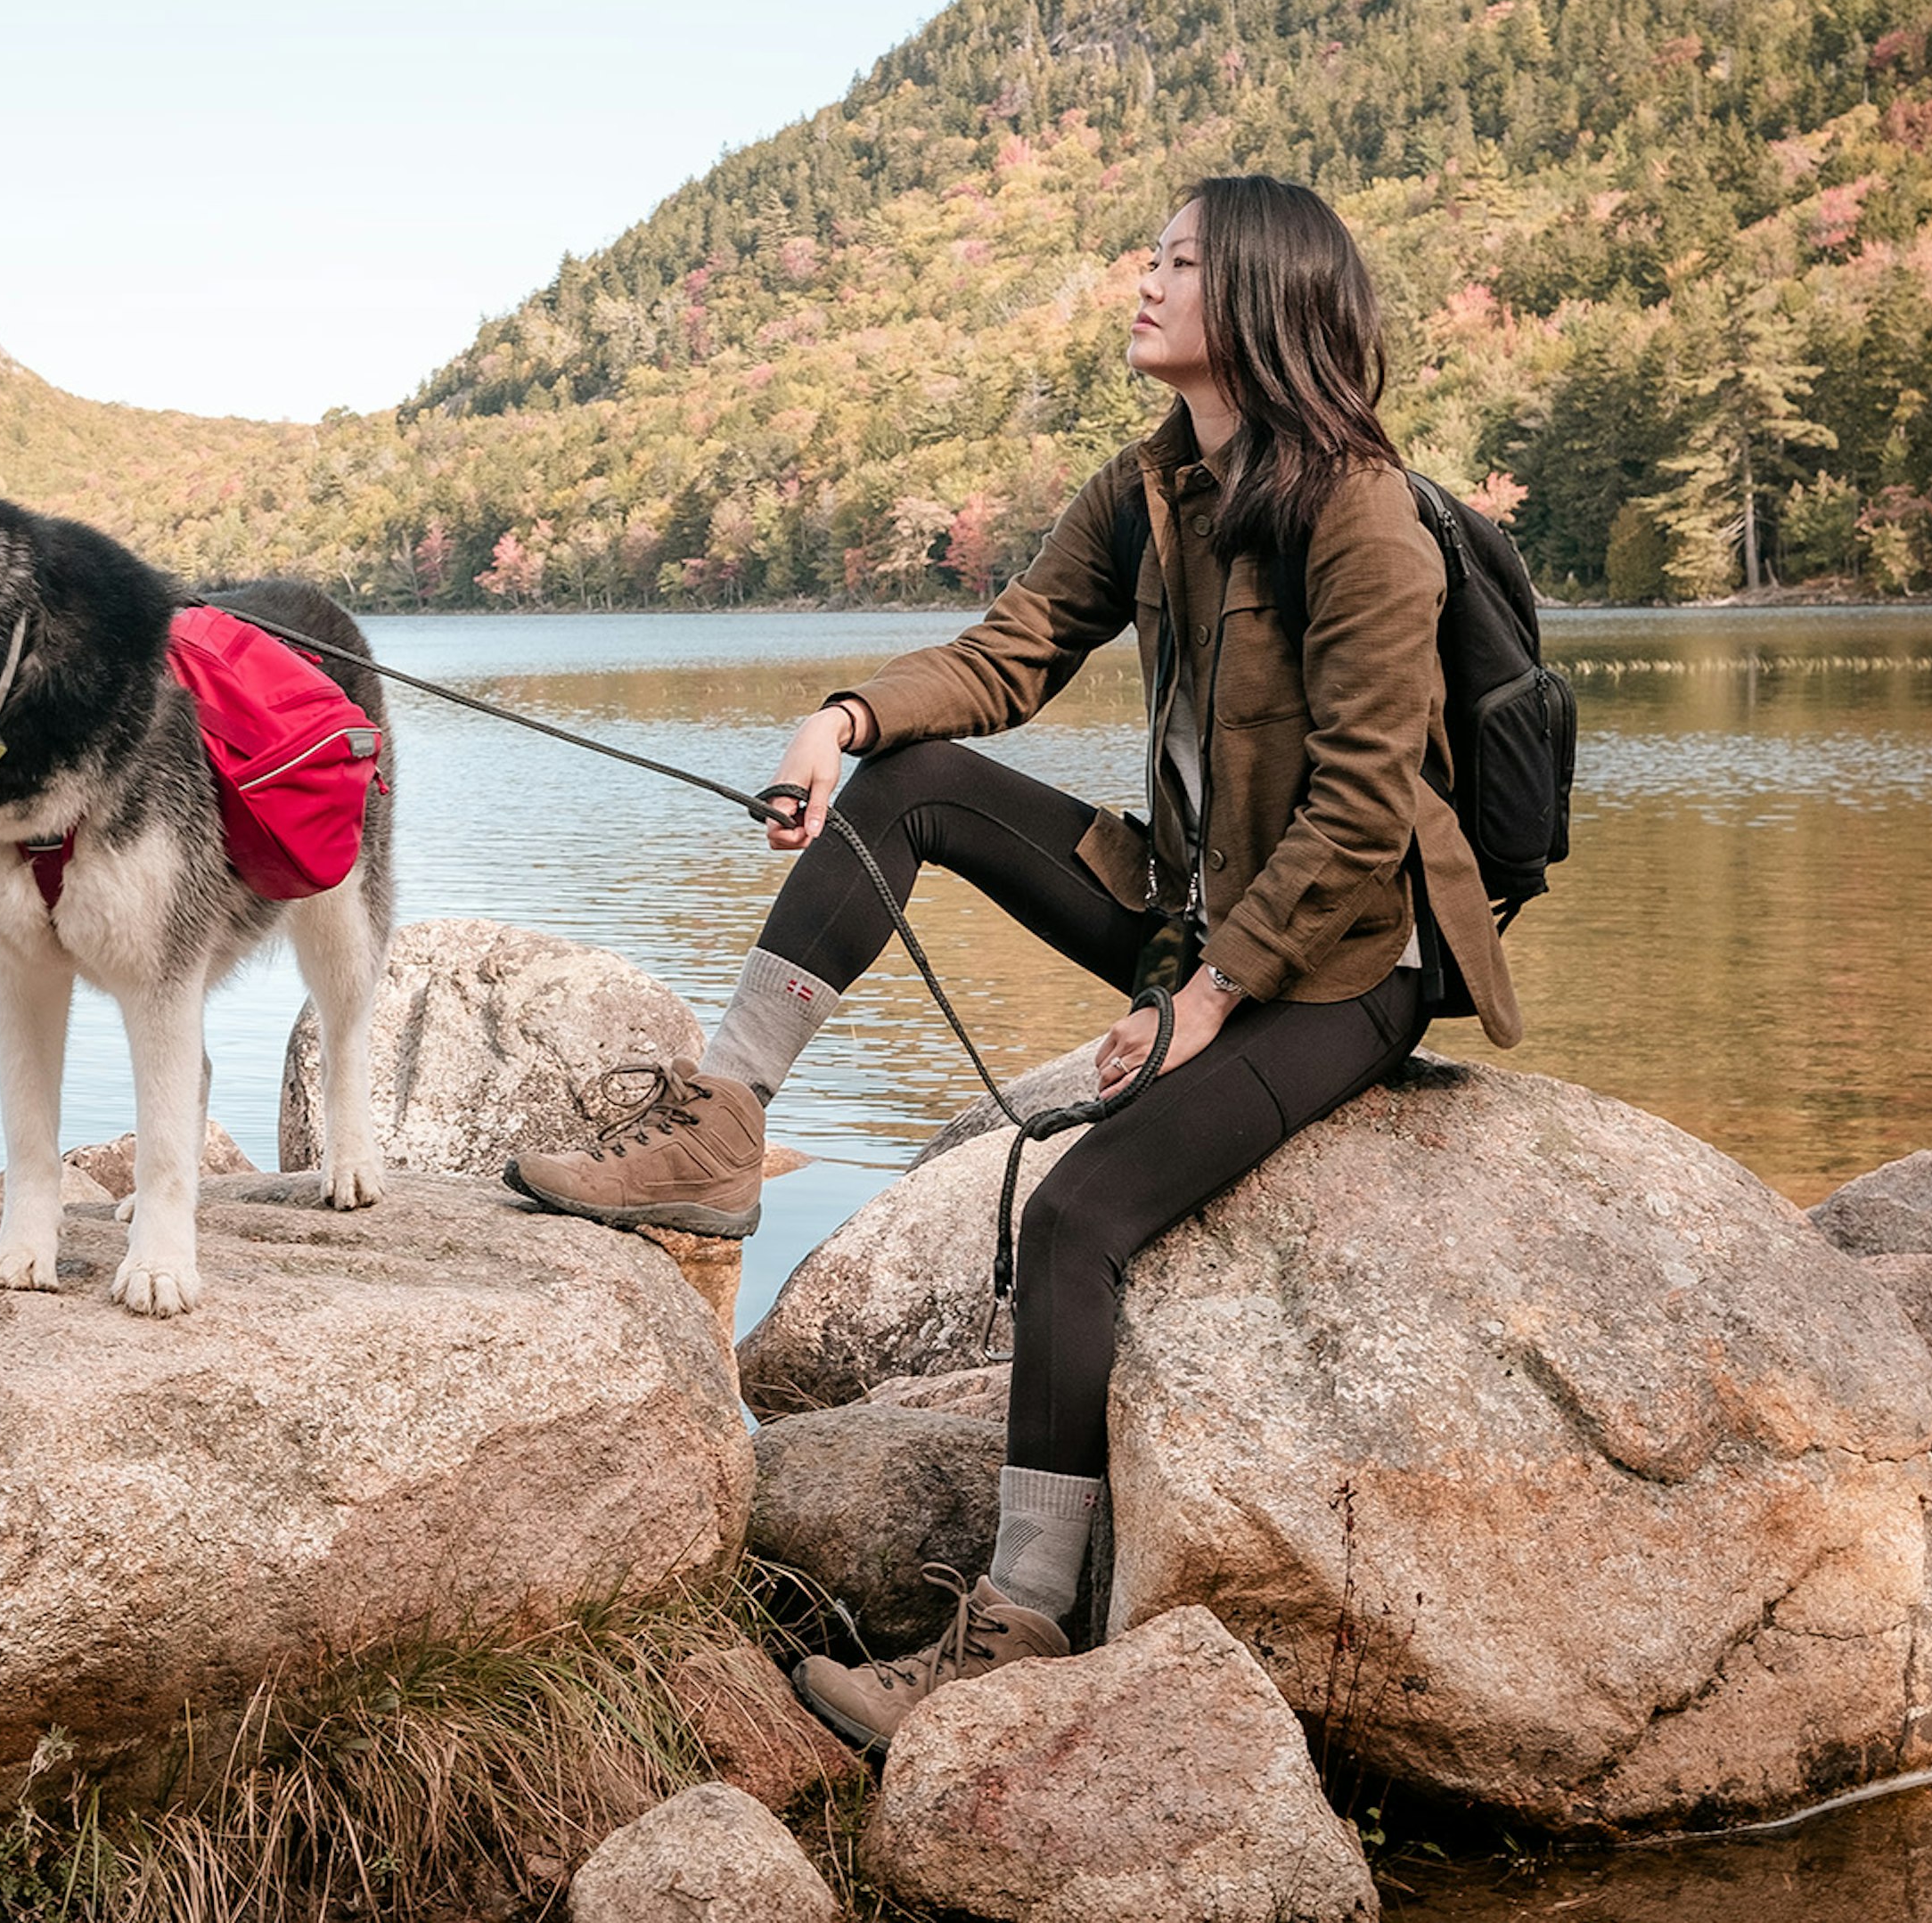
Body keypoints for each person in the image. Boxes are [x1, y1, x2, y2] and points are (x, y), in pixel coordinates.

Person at [506, 174, 1521, 1747]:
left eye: (1180, 261)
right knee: (907, 790)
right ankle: (721, 1126)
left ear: (1255, 298)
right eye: (1156, 255)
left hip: (1340, 963)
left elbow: (1361, 812)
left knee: (1075, 1219)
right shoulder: (1155, 489)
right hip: (1197, 921)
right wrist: (838, 725)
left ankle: (1020, 1629)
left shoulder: (1366, 519)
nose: (1146, 279)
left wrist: (1195, 1011)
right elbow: (1011, 650)